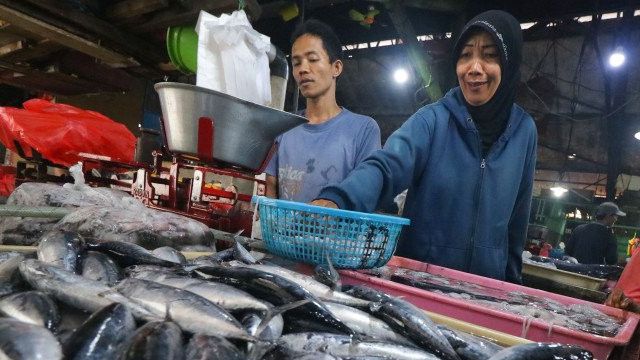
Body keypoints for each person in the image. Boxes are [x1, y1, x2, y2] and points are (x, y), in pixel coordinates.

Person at [312, 10, 537, 283]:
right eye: (465, 55)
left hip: (485, 292)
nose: (474, 68)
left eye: (489, 55)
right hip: (420, 285)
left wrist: (513, 288)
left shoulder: (524, 131)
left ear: (509, 62)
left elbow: (517, 223)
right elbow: (386, 167)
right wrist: (338, 200)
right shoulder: (433, 120)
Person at [265, 19, 381, 203]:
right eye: (296, 63)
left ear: (336, 68)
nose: (303, 69)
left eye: (312, 59)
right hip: (283, 232)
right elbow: (269, 185)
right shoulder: (283, 128)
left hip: (338, 232)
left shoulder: (363, 129)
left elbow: (368, 190)